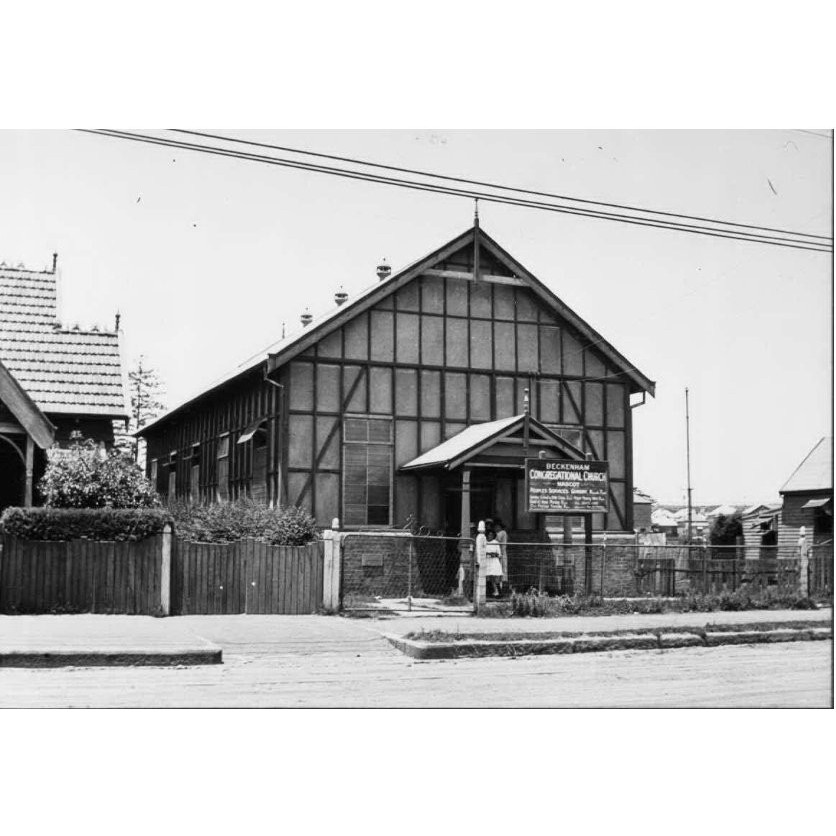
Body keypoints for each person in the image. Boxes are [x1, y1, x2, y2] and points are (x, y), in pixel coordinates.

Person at [484, 529, 503, 597]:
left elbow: (499, 554)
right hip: (487, 561)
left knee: (496, 576)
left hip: (494, 561)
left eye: (491, 535)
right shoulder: (484, 542)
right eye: (489, 535)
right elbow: (482, 553)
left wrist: (493, 555)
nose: (490, 536)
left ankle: (499, 593)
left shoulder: (496, 542)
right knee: (488, 577)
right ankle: (489, 593)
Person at [494, 518, 508, 591]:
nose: (496, 528)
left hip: (501, 554)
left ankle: (499, 589)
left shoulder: (502, 532)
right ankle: (496, 589)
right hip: (496, 554)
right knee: (496, 572)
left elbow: (496, 539)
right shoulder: (497, 533)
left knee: (501, 571)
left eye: (497, 526)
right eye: (495, 527)